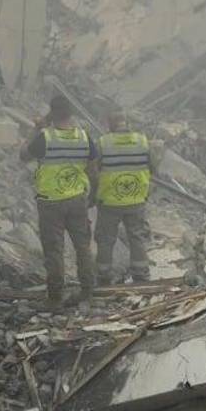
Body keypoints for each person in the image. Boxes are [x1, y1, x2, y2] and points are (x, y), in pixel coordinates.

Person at [19, 96, 97, 308]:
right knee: (83, 247)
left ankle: (55, 298)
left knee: (54, 250)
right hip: (77, 200)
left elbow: (24, 155)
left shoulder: (45, 137)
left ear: (52, 113)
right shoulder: (84, 136)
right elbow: (93, 168)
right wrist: (91, 196)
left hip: (51, 202)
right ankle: (87, 291)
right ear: (71, 113)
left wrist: (36, 129)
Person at [92, 111, 152, 285]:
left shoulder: (103, 143)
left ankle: (104, 276)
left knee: (105, 239)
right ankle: (141, 276)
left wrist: (94, 194)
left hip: (109, 201)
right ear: (127, 124)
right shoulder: (142, 141)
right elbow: (153, 167)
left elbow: (93, 171)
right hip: (136, 199)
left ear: (111, 124)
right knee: (137, 237)